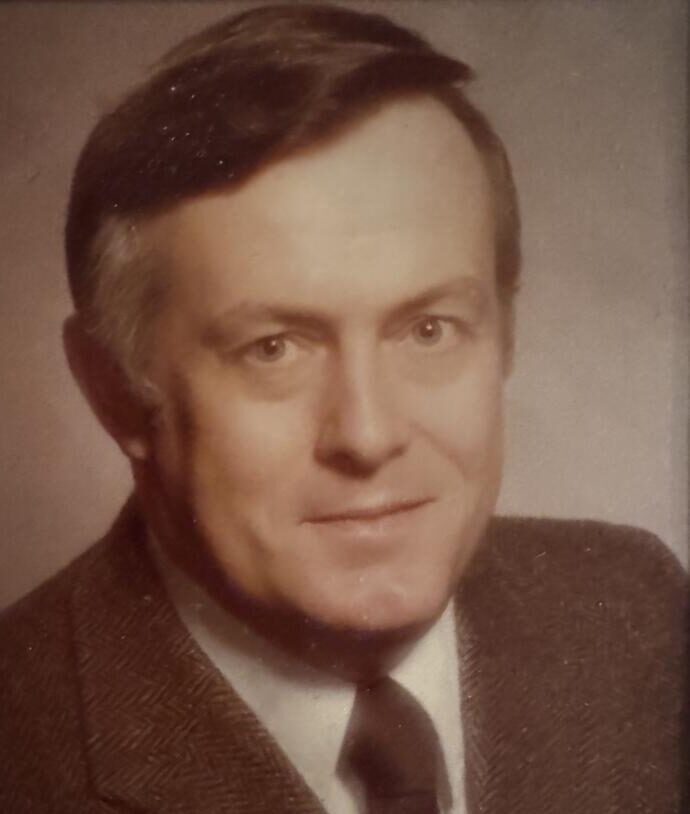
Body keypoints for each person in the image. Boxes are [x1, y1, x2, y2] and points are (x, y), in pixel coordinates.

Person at [0, 5, 686, 813]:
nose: (368, 434)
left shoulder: (636, 611)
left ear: (504, 336)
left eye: (429, 330)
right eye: (274, 348)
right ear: (113, 390)